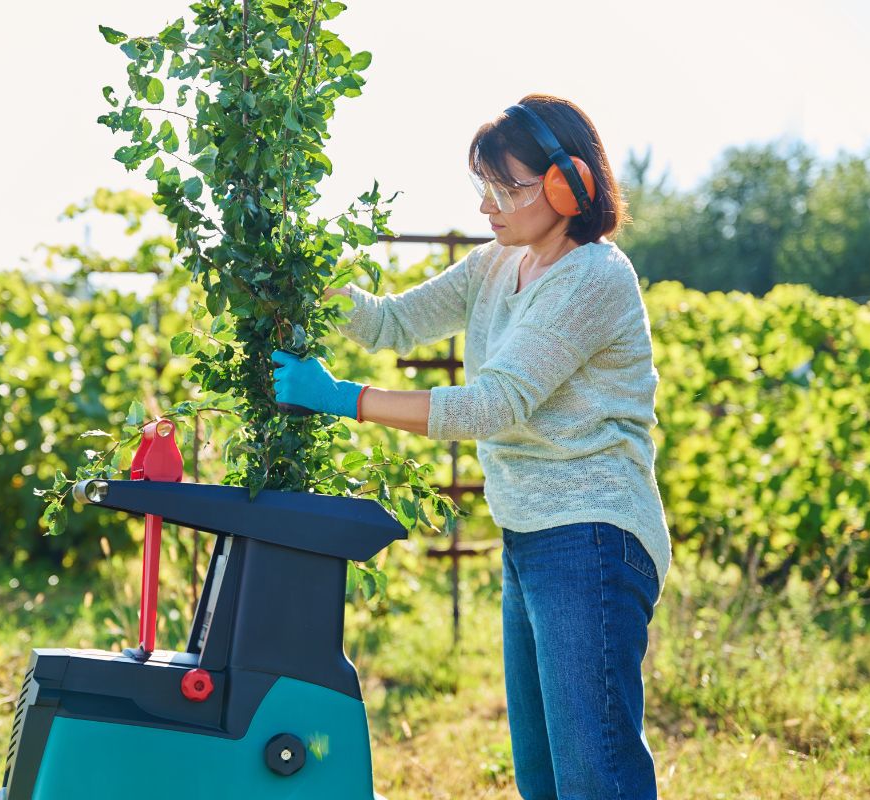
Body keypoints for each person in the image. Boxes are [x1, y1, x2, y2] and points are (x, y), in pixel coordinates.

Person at [271, 93, 671, 799]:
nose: (487, 206)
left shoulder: (594, 279)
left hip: (593, 535)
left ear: (566, 184)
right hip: (530, 533)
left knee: (595, 777)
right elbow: (391, 324)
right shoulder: (497, 264)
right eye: (480, 187)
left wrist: (343, 399)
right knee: (543, 779)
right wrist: (309, 275)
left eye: (503, 187)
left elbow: (493, 404)